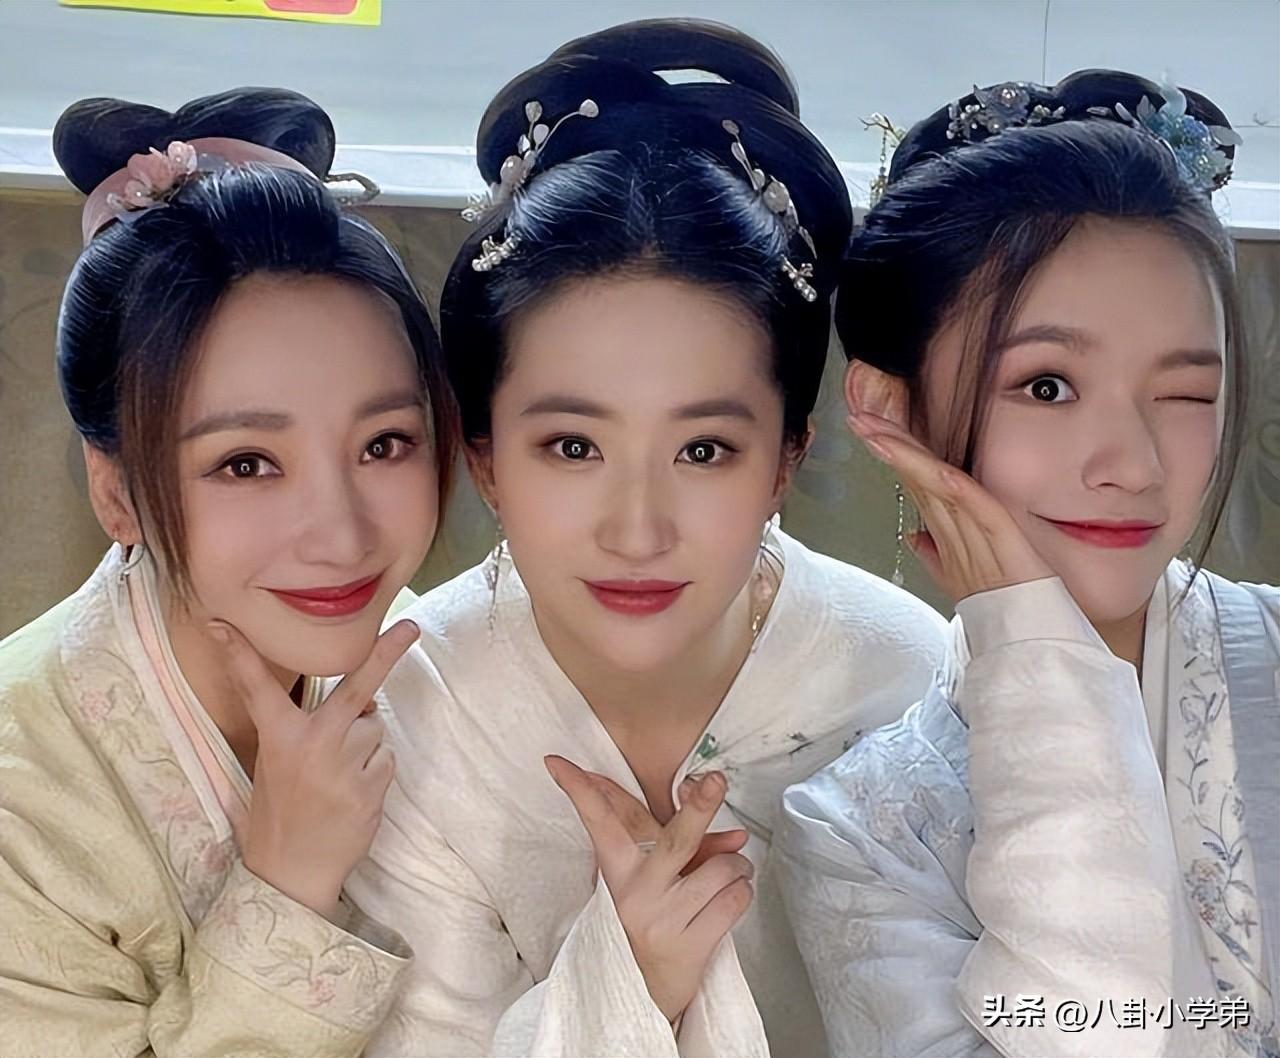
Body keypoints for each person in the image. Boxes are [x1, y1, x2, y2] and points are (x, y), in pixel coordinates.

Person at [343, 19, 947, 1058]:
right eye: (572, 446)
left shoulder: (907, 679)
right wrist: (623, 983)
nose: (637, 529)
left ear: (785, 459)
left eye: (704, 450)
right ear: (485, 460)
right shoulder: (410, 705)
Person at [778, 70, 1276, 1058]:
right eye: (1046, 385)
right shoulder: (866, 831)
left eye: (1184, 391)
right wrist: (1034, 651)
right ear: (890, 411)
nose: (1132, 464)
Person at [0, 87, 458, 1057]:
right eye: (246, 463)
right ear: (117, 492)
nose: (341, 536)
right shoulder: (19, 809)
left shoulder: (450, 670)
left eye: (384, 442)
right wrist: (287, 886)